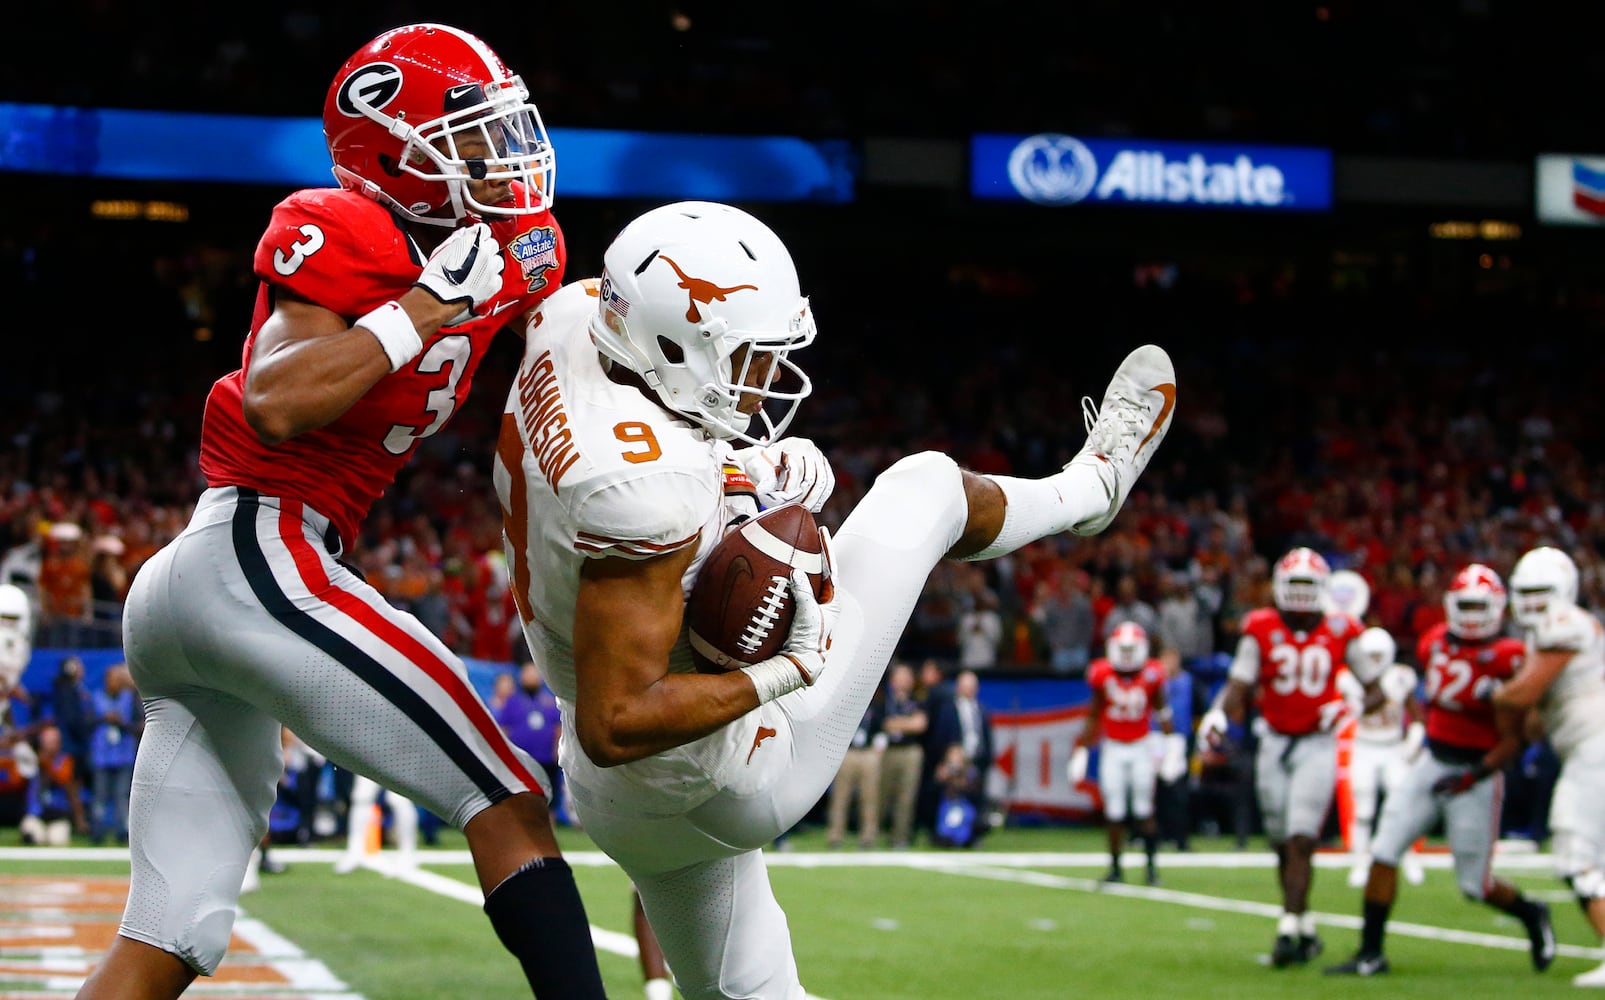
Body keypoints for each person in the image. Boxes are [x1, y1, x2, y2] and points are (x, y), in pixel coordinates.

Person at [494, 199, 1176, 998]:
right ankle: (1090, 487)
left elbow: (622, 441)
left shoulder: (573, 317)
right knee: (925, 488)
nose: (765, 378)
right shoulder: (640, 491)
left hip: (622, 804)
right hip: (720, 770)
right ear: (672, 344)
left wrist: (737, 477)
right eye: (747, 357)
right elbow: (620, 721)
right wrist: (788, 668)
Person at [74, 23, 607, 1000]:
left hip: (231, 576)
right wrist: (420, 308)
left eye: (503, 130)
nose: (505, 157)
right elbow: (274, 397)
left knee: (168, 936)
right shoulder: (348, 225)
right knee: (506, 794)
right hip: (256, 553)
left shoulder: (518, 250)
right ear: (395, 152)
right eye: (474, 136)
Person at [1326, 563, 1555, 977]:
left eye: (1477, 606)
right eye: (1463, 605)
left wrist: (1475, 774)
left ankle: (1531, 912)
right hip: (1433, 761)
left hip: (1477, 772)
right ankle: (1370, 953)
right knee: (1383, 851)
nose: (1469, 614)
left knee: (1475, 886)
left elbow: (1515, 738)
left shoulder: (1509, 656)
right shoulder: (1434, 642)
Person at [1198, 546, 1363, 967]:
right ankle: (1303, 923)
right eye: (1296, 584)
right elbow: (1240, 683)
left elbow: (1380, 686)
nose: (1303, 594)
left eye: (1310, 585)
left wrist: (1347, 708)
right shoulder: (1262, 627)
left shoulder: (1344, 629)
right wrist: (1218, 712)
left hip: (1317, 743)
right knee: (1280, 842)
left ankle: (1288, 929)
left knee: (1302, 838)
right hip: (1273, 740)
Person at [1491, 547, 1605, 987]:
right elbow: (1537, 720)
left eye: (1542, 592)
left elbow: (1521, 696)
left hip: (1594, 750)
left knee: (1575, 852)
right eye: (1526, 593)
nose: (1533, 603)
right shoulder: (1554, 632)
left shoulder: (1565, 624)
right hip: (1586, 748)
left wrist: (1492, 696)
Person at [1067, 622, 1183, 885]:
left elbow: (1162, 711)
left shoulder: (1153, 674)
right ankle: (1116, 868)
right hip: (1114, 746)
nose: (1128, 655)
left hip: (1142, 746)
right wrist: (1081, 750)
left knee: (1144, 809)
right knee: (1114, 811)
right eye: (1123, 649)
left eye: (1132, 650)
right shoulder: (1103, 674)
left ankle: (1151, 869)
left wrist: (1173, 745)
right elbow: (1094, 714)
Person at [1337, 627, 1426, 888]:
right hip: (1364, 746)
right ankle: (1360, 862)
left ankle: (1409, 855)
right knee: (1363, 808)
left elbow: (1416, 713)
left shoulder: (1401, 676)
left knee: (1401, 804)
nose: (1374, 661)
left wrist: (1415, 738)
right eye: (1370, 656)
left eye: (1379, 655)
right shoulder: (1349, 678)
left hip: (1392, 747)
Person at [879, 661, 928, 849]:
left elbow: (920, 724)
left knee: (906, 796)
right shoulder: (885, 699)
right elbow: (883, 723)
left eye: (907, 676)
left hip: (910, 751)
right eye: (900, 676)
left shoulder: (918, 699)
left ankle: (900, 837)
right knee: (882, 794)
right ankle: (878, 832)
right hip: (888, 751)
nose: (904, 680)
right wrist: (907, 723)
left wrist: (896, 723)